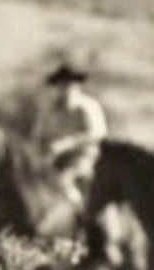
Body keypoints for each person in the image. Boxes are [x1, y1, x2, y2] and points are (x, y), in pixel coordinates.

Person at [31, 62, 109, 206]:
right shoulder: (50, 109)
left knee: (63, 183)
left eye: (68, 85)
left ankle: (81, 216)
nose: (65, 89)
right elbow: (39, 136)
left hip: (85, 159)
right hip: (53, 161)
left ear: (77, 86)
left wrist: (68, 143)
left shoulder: (87, 107)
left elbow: (98, 133)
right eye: (61, 85)